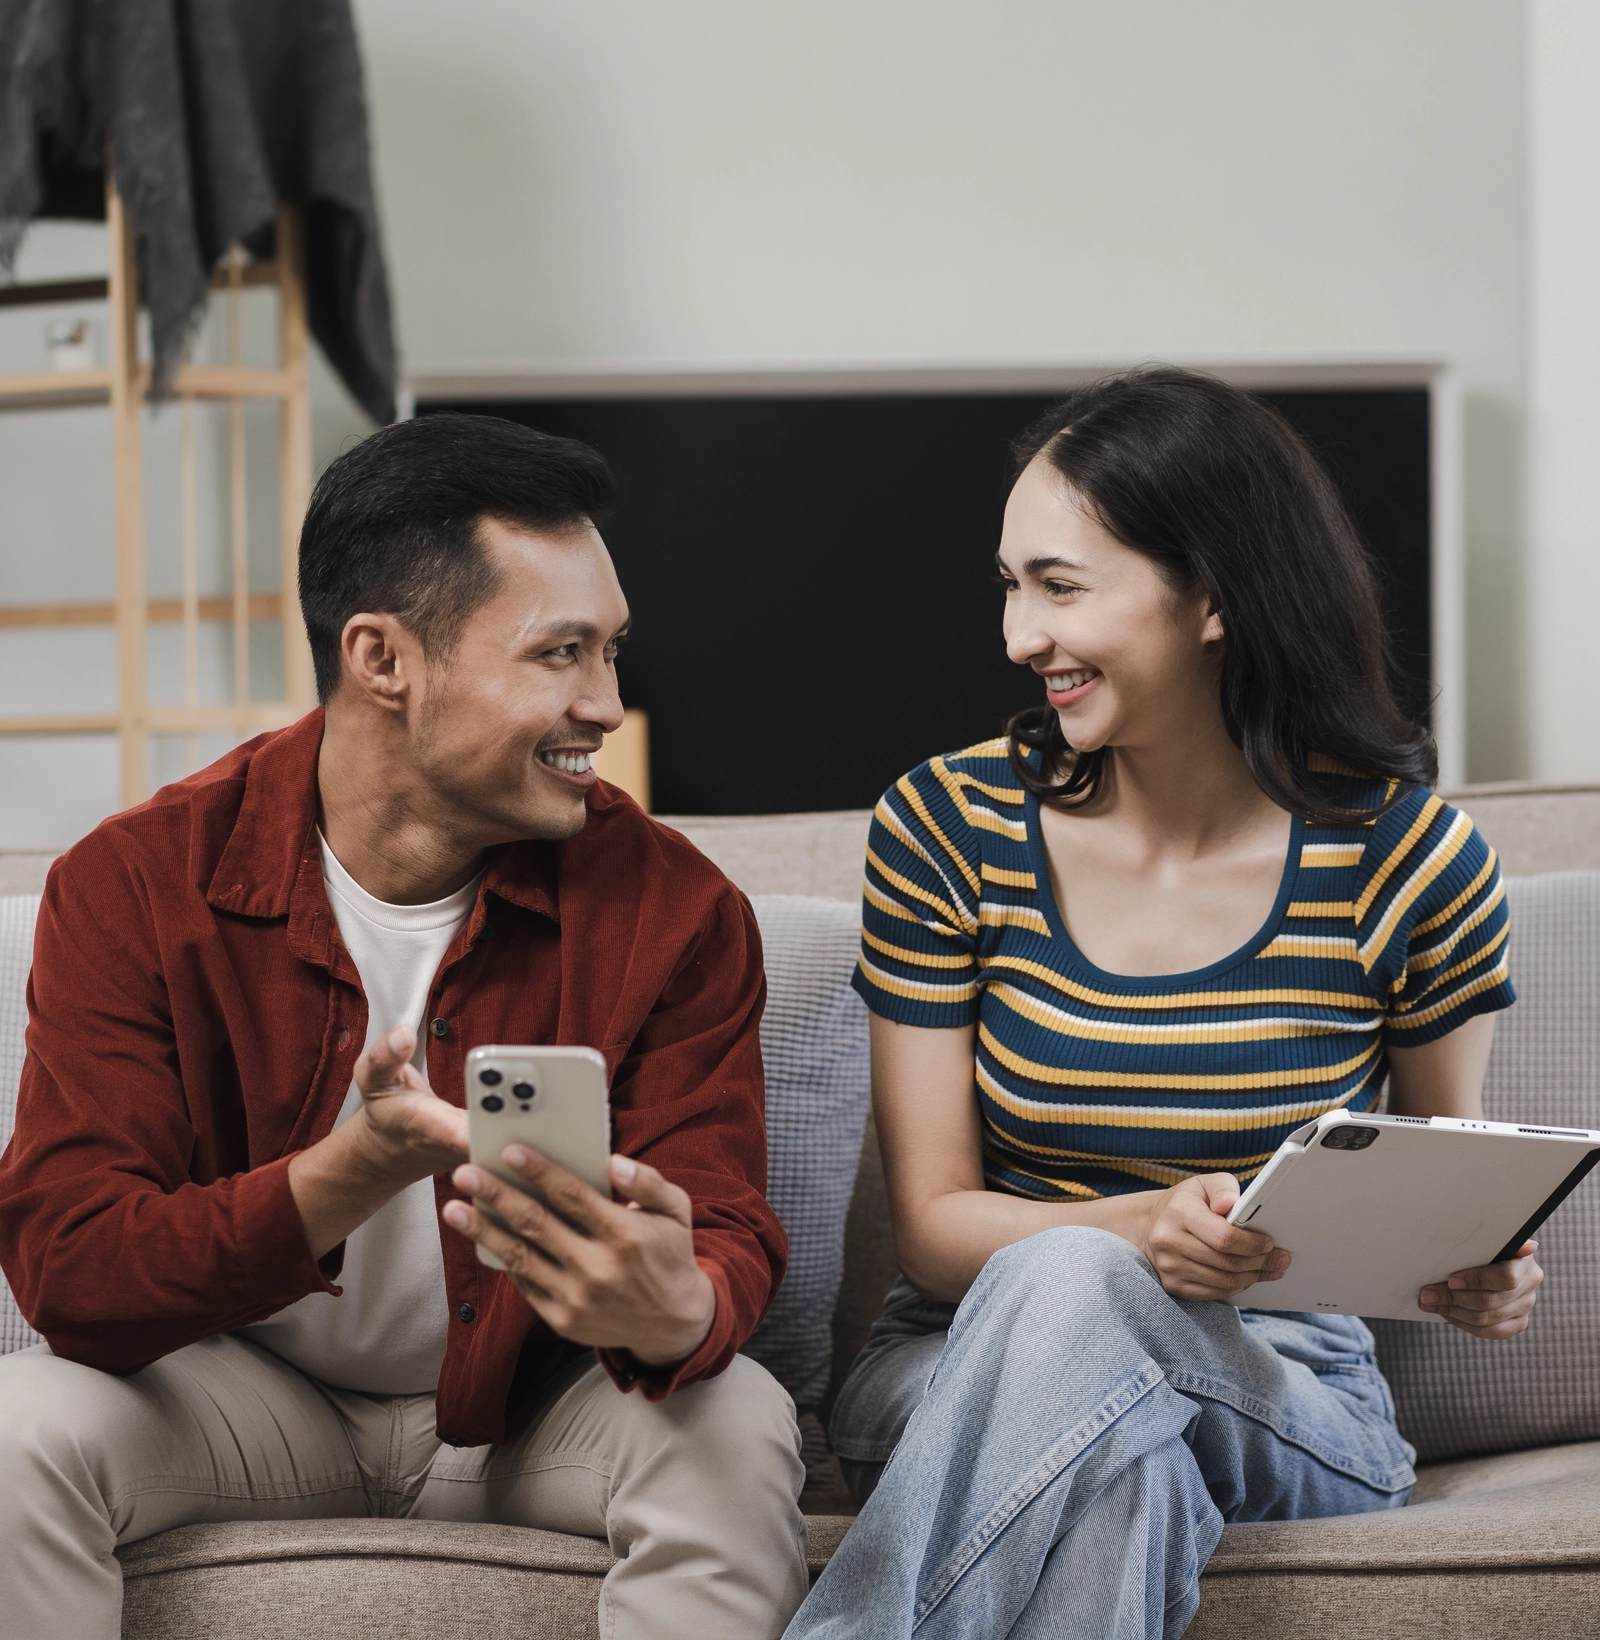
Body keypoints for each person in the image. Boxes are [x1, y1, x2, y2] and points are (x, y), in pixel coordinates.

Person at [0, 413, 809, 1640]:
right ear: (382, 657)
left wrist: (677, 1307)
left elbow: (721, 1219)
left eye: (610, 651)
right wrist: (354, 1168)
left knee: (737, 1417)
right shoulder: (139, 883)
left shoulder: (674, 907)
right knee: (15, 1430)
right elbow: (72, 1267)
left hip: (539, 1406)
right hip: (247, 1398)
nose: (605, 704)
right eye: (560, 653)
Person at [787, 368, 1536, 1640]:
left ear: (1213, 596)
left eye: (1059, 585)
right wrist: (1139, 1231)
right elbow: (932, 1228)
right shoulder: (947, 826)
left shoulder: (1409, 861)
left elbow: (1444, 1184)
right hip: (952, 1367)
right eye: (1010, 585)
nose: (1019, 635)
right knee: (1123, 1472)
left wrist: (1480, 1270)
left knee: (1094, 1317)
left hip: (1284, 1393)